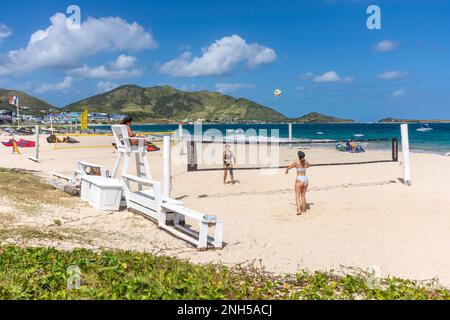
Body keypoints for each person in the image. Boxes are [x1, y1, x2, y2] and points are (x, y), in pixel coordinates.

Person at [285, 151, 311, 215]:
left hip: (299, 179)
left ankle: (299, 210)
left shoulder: (296, 163)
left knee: (297, 195)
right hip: (305, 179)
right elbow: (309, 165)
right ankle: (304, 210)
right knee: (303, 195)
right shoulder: (305, 162)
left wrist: (286, 170)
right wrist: (305, 164)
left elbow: (289, 167)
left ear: (298, 156)